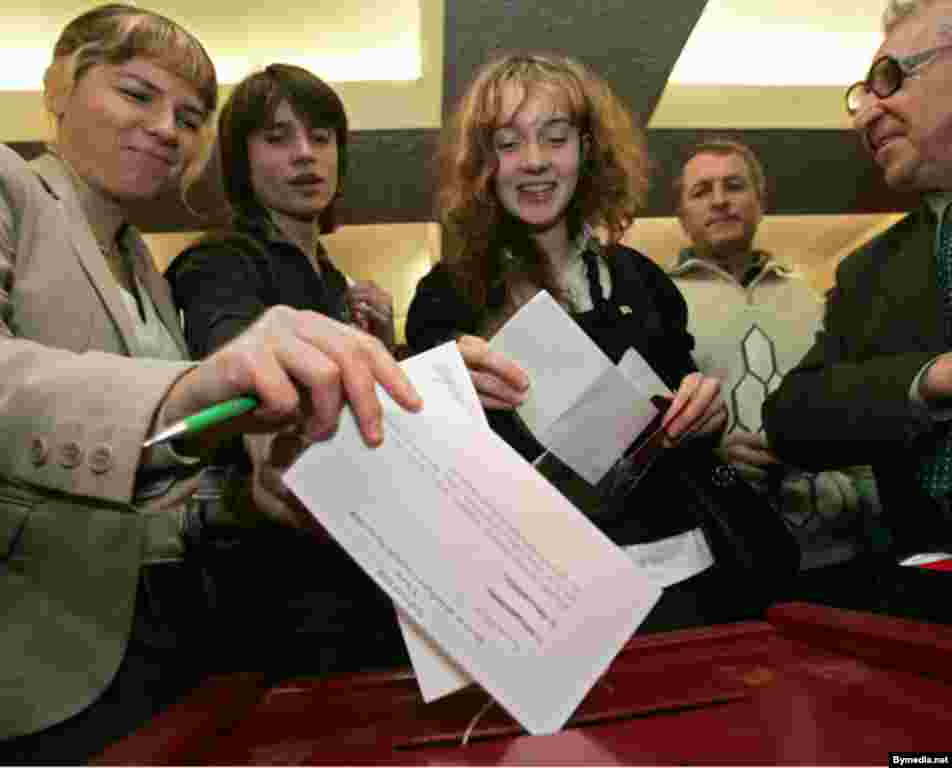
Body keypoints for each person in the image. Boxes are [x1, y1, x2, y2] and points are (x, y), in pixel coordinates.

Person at [0, 6, 420, 761]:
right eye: (136, 94)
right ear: (59, 85)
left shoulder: (149, 273)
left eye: (190, 116)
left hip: (162, 644)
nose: (167, 128)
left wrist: (253, 492)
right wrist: (177, 394)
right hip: (15, 656)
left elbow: (165, 473)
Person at [405, 50, 768, 634]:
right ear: (482, 164)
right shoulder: (447, 296)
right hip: (535, 599)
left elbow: (684, 406)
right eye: (507, 143)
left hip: (679, 583)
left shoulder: (644, 281)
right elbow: (421, 461)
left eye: (555, 137)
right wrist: (441, 390)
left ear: (587, 150)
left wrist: (708, 413)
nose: (534, 162)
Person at [165, 65, 407, 677]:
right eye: (277, 138)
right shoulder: (219, 262)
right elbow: (244, 368)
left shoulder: (331, 278)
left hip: (356, 563)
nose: (306, 155)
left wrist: (382, 347)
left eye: (321, 137)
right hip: (272, 580)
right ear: (241, 159)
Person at [763, 0, 952, 617]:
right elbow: (794, 416)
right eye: (862, 93)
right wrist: (930, 380)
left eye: (891, 81)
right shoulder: (869, 271)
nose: (866, 113)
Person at [668, 139, 883, 576]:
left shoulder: (813, 300)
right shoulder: (660, 304)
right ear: (682, 215)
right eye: (702, 191)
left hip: (842, 547)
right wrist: (713, 456)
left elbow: (854, 408)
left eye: (734, 185)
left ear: (760, 201)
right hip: (728, 550)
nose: (721, 200)